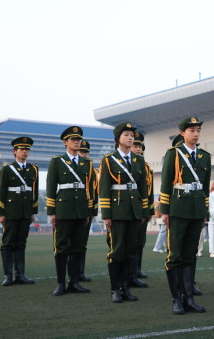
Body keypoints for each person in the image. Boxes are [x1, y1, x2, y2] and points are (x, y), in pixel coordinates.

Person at [160, 117, 210, 315]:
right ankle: (176, 299)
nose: (196, 134)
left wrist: (205, 211)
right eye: (191, 130)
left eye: (198, 130)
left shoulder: (204, 156)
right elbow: (166, 183)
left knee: (190, 255)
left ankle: (189, 298)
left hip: (197, 209)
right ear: (182, 133)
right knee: (175, 256)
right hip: (178, 209)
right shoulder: (173, 153)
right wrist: (165, 211)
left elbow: (205, 187)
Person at [98, 122, 149, 303]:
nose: (130, 138)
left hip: (134, 210)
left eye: (132, 135)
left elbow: (143, 188)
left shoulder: (138, 160)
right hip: (117, 210)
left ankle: (125, 288)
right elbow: (104, 188)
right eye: (126, 134)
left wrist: (144, 211)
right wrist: (106, 215)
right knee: (117, 250)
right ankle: (115, 289)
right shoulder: (109, 159)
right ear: (118, 138)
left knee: (130, 251)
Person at [46, 126, 96, 296]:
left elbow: (90, 189)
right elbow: (51, 187)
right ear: (65, 142)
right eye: (73, 139)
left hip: (81, 209)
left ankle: (74, 282)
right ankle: (61, 283)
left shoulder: (87, 163)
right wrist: (52, 212)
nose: (77, 142)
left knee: (78, 247)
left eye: (78, 139)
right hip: (64, 209)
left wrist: (89, 211)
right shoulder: (57, 161)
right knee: (61, 247)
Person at [0, 136, 38, 286]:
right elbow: (1, 192)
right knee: (8, 243)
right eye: (22, 149)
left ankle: (20, 275)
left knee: (21, 243)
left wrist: (33, 211)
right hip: (11, 211)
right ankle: (8, 276)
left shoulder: (33, 169)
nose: (25, 151)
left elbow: (34, 192)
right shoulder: (7, 169)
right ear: (15, 151)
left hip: (25, 211)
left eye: (27, 149)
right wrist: (1, 213)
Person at [130, 132, 154, 288]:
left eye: (140, 146)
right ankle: (129, 272)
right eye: (135, 146)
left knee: (140, 241)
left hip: (142, 208)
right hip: (128, 207)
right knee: (129, 242)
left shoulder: (146, 167)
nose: (138, 149)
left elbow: (149, 191)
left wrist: (149, 210)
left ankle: (137, 269)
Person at [77, 139, 97, 283]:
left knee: (82, 243)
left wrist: (93, 212)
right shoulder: (68, 166)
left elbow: (95, 192)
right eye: (81, 152)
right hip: (70, 210)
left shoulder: (92, 171)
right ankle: (71, 273)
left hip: (86, 211)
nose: (84, 154)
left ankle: (80, 272)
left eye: (86, 152)